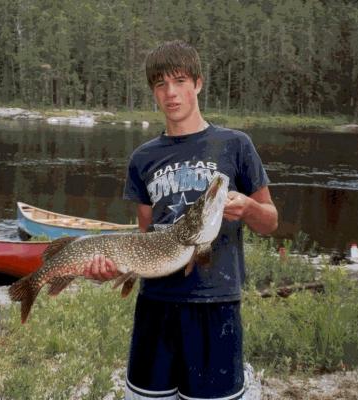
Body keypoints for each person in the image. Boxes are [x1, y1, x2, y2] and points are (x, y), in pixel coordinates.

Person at [84, 40, 278, 400]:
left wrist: (249, 208)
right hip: (155, 308)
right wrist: (115, 269)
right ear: (153, 92)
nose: (171, 93)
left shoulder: (235, 145)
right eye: (160, 84)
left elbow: (270, 222)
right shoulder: (142, 158)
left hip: (217, 306)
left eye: (180, 80)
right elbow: (145, 236)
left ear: (198, 83)